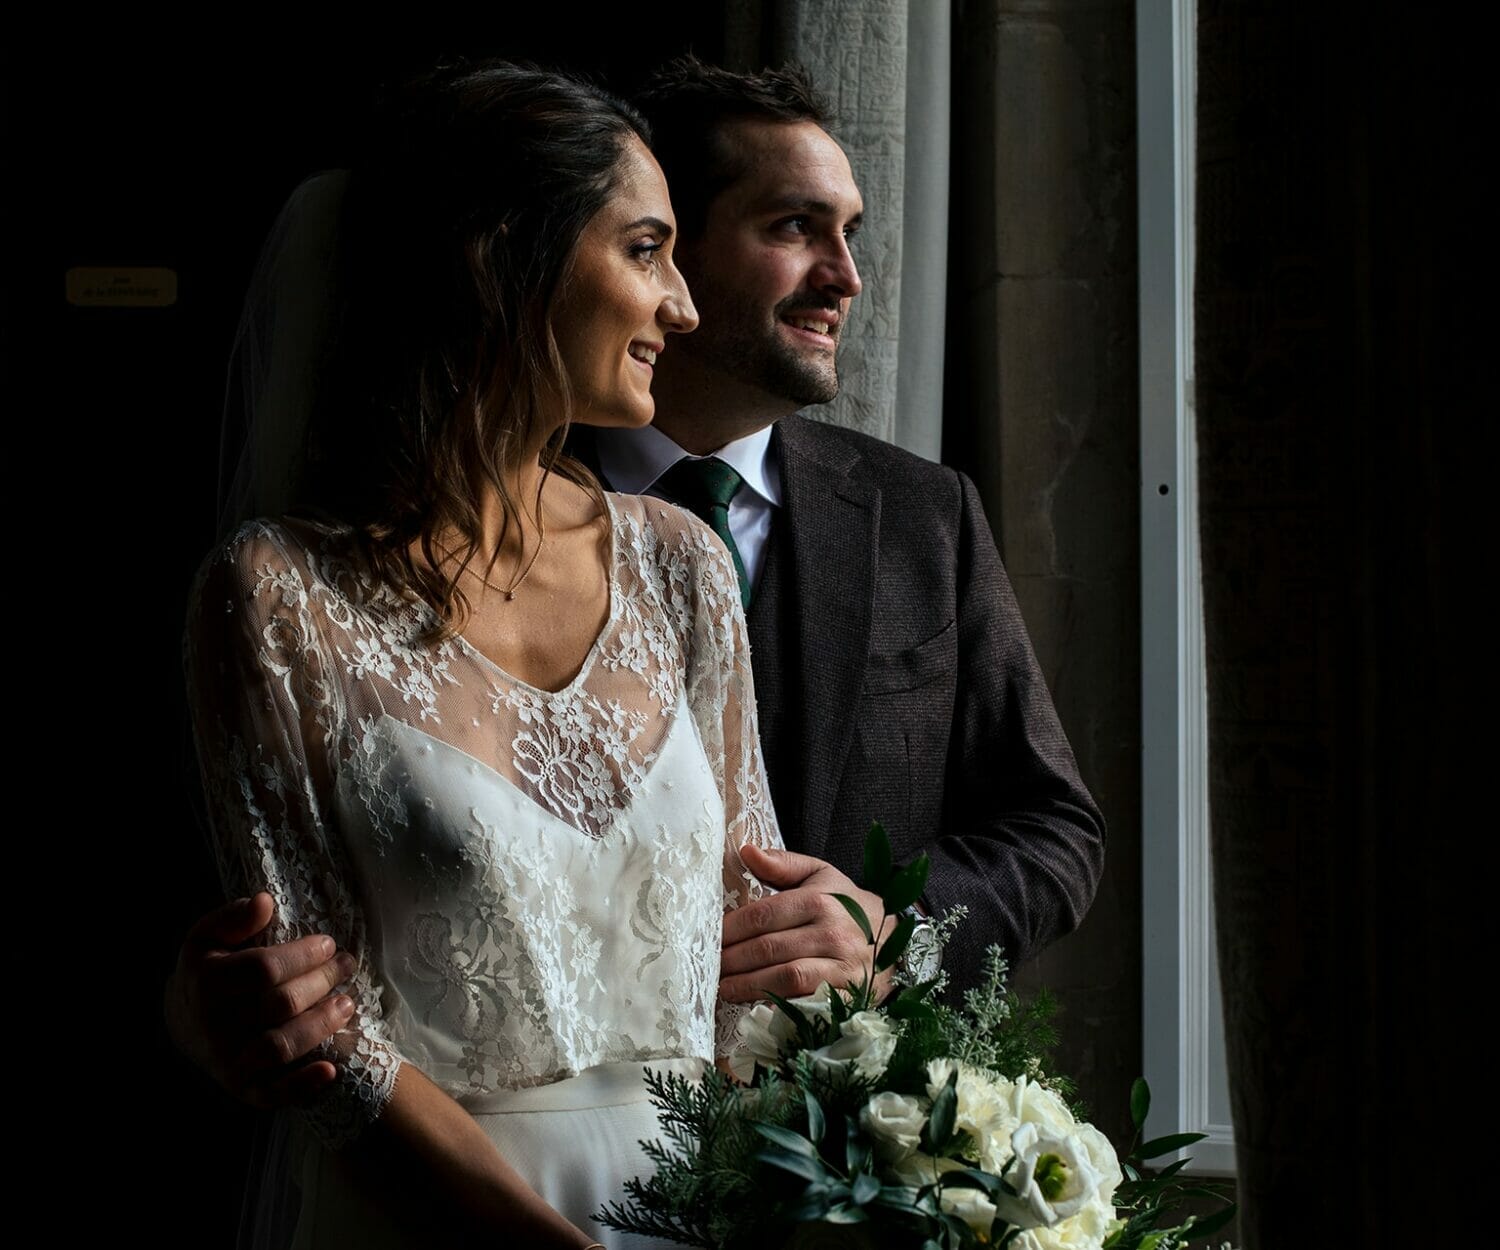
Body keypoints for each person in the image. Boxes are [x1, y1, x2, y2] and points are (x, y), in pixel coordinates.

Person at [168, 56, 1105, 1124]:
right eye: (795, 226)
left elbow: (1054, 826)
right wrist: (208, 1004)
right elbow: (264, 896)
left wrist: (891, 930)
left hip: (804, 1158)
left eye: (852, 232)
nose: (845, 274)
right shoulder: (315, 572)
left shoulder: (922, 519)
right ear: (670, 242)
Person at [184, 61, 780, 1248]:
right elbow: (321, 1022)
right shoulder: (279, 596)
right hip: (429, 1213)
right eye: (647, 250)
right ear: (503, 254)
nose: (687, 309)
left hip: (699, 1208)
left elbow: (751, 957)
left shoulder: (682, 566)